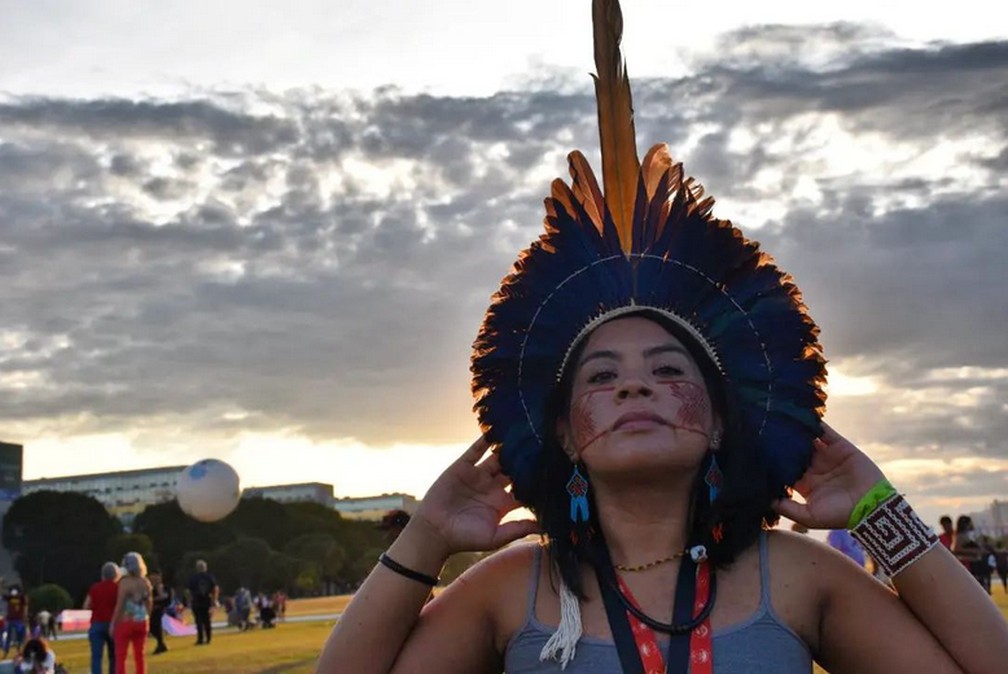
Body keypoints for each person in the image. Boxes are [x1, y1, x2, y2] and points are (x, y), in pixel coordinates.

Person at [315, 2, 1008, 672]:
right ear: (562, 433)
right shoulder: (512, 589)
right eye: (600, 376)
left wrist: (879, 512)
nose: (634, 383)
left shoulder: (796, 576)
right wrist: (427, 538)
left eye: (670, 370)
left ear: (715, 426)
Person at [111, 552, 152, 674]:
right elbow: (149, 603)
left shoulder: (124, 583)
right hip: (142, 621)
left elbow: (120, 605)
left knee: (121, 656)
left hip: (126, 622)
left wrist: (113, 623)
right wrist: (147, 617)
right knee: (140, 655)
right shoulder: (146, 582)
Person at [83, 561, 120, 674]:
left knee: (96, 657)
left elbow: (86, 606)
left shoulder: (94, 588)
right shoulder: (118, 588)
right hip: (114, 624)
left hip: (97, 623)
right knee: (114, 656)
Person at [186, 560, 218, 645]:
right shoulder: (209, 577)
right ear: (205, 568)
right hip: (207, 601)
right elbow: (214, 589)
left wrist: (189, 601)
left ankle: (200, 639)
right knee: (207, 621)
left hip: (196, 602)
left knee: (198, 621)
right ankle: (208, 638)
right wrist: (214, 600)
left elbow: (189, 591)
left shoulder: (193, 578)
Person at [147, 571, 170, 654]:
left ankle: (161, 644)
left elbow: (163, 596)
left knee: (155, 626)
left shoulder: (158, 586)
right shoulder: (152, 586)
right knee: (154, 627)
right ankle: (161, 644)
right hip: (154, 608)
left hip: (157, 609)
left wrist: (152, 600)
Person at [3, 585, 28, 659]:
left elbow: (25, 607)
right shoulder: (9, 597)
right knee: (9, 637)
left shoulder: (22, 598)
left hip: (19, 619)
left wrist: (25, 617)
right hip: (10, 619)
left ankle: (19, 651)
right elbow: (3, 595)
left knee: (19, 636)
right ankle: (6, 652)